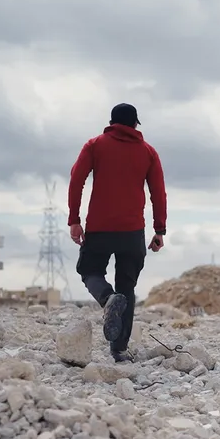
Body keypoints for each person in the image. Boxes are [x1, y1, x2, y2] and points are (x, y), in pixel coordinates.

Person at [67, 103, 167, 362]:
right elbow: (158, 192)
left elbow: (76, 180)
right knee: (127, 286)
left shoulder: (94, 145)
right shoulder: (148, 152)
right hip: (132, 231)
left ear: (112, 123)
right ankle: (119, 350)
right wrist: (159, 229)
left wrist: (74, 219)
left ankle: (107, 297)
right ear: (135, 124)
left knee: (90, 271)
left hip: (99, 227)